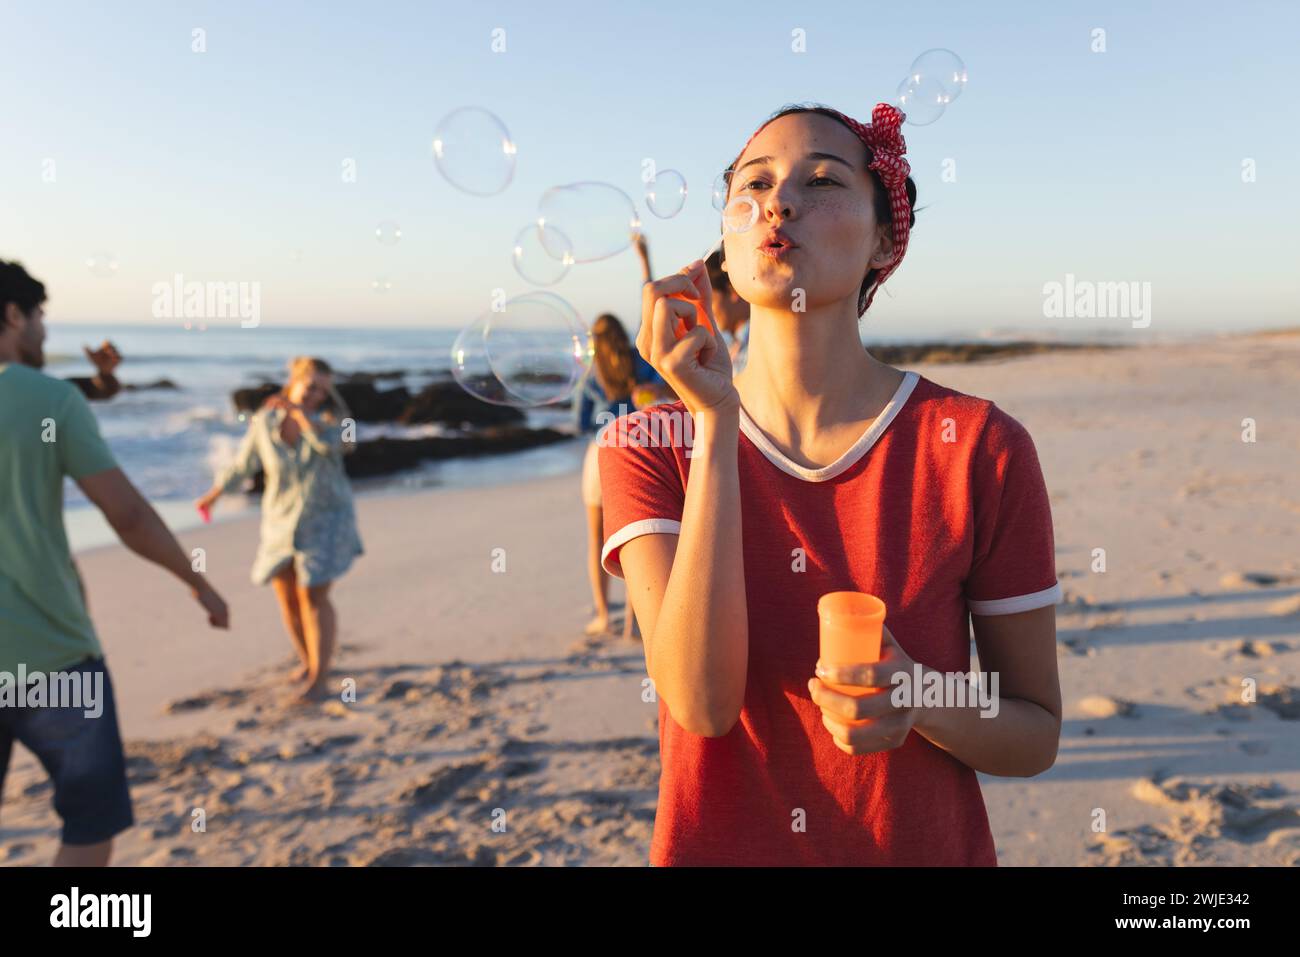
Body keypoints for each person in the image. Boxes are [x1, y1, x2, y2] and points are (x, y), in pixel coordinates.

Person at [598, 103, 1063, 866]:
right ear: (727, 236)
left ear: (886, 238)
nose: (780, 202)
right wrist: (714, 424)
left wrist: (920, 696)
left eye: (821, 180)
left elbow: (1034, 731)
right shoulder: (651, 443)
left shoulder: (980, 447)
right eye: (755, 184)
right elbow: (701, 702)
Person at [0, 260, 229, 866]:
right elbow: (126, 515)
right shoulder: (46, 398)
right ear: (14, 314)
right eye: (40, 317)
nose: (45, 331)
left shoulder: (54, 397)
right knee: (90, 815)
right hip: (51, 652)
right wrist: (196, 581)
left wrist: (104, 381)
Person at [196, 357, 362, 702]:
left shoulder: (338, 421)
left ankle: (319, 676)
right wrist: (213, 496)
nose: (316, 395)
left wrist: (304, 418)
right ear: (294, 380)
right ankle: (307, 660)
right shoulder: (264, 420)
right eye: (311, 386)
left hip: (327, 518)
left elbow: (341, 446)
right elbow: (245, 464)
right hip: (280, 520)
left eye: (323, 389)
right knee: (286, 596)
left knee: (313, 594)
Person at [575, 234, 666, 640]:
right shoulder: (638, 363)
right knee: (631, 540)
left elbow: (580, 423)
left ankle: (600, 614)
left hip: (599, 454)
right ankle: (633, 621)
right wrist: (644, 260)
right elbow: (651, 311)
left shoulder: (592, 375)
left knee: (597, 538)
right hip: (634, 450)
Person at [705, 252, 750, 374]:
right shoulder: (730, 346)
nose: (705, 310)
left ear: (732, 292)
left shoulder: (757, 346)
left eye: (710, 300)